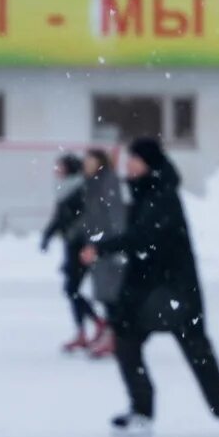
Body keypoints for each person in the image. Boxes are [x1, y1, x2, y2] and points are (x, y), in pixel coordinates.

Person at [82, 138, 219, 437]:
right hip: (150, 287)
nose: (128, 165)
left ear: (149, 164)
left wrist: (102, 247)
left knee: (194, 348)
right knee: (128, 342)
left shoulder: (161, 195)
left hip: (170, 289)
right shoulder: (145, 191)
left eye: (135, 160)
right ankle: (143, 412)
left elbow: (143, 238)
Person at [37, 152, 100, 352]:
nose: (56, 171)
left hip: (82, 246)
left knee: (72, 288)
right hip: (71, 246)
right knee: (71, 289)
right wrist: (47, 235)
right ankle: (83, 331)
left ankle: (99, 324)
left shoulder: (82, 188)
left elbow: (87, 218)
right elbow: (59, 217)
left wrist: (76, 234)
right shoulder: (64, 189)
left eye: (60, 167)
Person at [70, 146, 127, 360]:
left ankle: (115, 336)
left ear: (100, 162)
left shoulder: (108, 181)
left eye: (90, 161)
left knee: (110, 293)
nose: (86, 164)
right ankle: (111, 334)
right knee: (103, 293)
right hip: (96, 245)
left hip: (108, 246)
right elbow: (90, 216)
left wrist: (119, 243)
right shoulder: (91, 184)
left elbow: (116, 213)